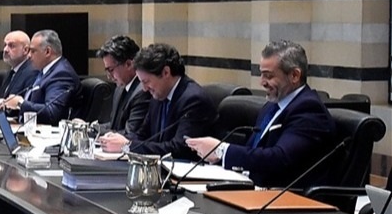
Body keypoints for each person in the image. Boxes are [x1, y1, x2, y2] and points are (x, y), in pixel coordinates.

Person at [186, 40, 335, 188]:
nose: (262, 82)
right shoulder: (271, 106)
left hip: (287, 196)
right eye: (261, 75)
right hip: (253, 188)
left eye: (268, 76)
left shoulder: (309, 109)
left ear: (294, 75)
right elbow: (254, 151)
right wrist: (217, 156)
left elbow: (279, 158)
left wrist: (222, 151)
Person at [98, 43, 215, 159]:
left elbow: (179, 148)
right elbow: (142, 135)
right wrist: (118, 140)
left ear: (166, 72)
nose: (144, 89)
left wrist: (128, 146)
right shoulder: (158, 95)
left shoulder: (193, 100)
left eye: (146, 82)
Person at [1, 29, 79, 125]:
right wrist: (16, 117)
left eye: (33, 51)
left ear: (47, 52)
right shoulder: (45, 71)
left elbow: (52, 113)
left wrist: (20, 103)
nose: (29, 56)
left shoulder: (61, 74)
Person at [95, 35, 149, 135]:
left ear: (129, 64)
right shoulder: (119, 88)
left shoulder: (142, 91)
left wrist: (97, 132)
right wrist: (89, 127)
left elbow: (130, 133)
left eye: (111, 70)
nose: (109, 77)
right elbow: (114, 125)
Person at [0, 30, 38, 99]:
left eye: (11, 46)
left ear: (25, 50)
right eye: (5, 45)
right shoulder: (11, 72)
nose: (5, 50)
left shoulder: (32, 72)